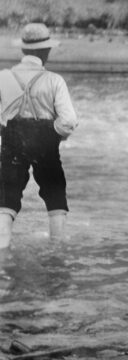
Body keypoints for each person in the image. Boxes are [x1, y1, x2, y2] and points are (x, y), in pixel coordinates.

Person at [0, 23, 78, 270]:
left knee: (5, 200)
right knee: (55, 198)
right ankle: (57, 256)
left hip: (11, 142)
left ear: (23, 50)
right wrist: (51, 134)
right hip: (45, 142)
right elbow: (68, 121)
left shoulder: (2, 77)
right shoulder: (54, 80)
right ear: (46, 51)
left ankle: (2, 256)